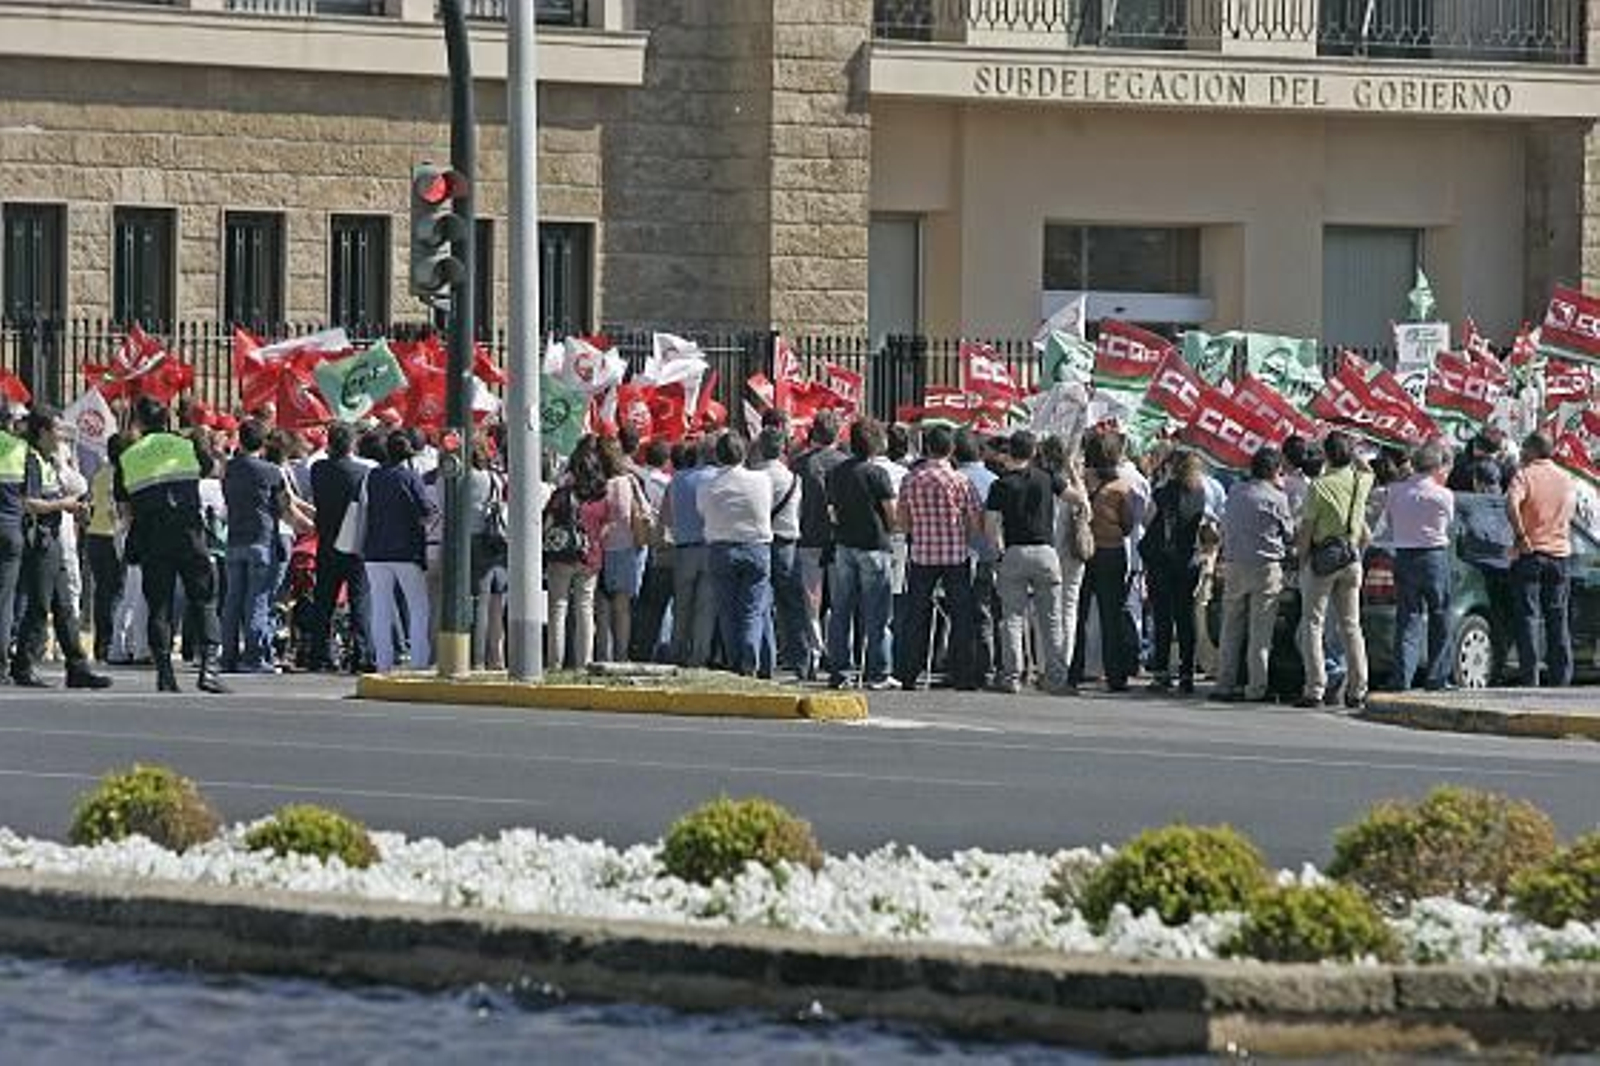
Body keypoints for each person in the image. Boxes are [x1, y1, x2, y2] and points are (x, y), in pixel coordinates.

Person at [115, 397, 227, 693]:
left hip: (153, 538)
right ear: (167, 419)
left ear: (138, 422)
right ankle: (209, 670)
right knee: (203, 600)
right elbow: (209, 468)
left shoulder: (127, 456)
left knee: (159, 607)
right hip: (190, 534)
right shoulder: (185, 445)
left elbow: (125, 510)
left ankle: (165, 672)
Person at [10, 409, 110, 689]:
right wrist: (63, 505)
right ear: (42, 432)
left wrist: (75, 507)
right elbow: (28, 502)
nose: (61, 435)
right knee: (40, 605)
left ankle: (77, 667)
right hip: (40, 540)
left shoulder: (50, 461)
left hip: (54, 537)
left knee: (65, 606)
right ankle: (24, 665)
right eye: (56, 429)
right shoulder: (31, 460)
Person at [983, 430, 1071, 694]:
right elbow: (1074, 497)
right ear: (1033, 453)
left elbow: (991, 525)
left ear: (1010, 453)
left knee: (1012, 617)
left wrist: (998, 551)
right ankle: (1056, 676)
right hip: (1045, 552)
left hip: (1015, 552)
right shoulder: (1046, 479)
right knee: (1052, 618)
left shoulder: (1000, 485)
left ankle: (1012, 676)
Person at [894, 425, 980, 690]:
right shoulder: (960, 481)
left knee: (917, 615)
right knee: (961, 616)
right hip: (955, 554)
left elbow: (902, 521)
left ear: (927, 448)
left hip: (922, 554)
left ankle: (909, 671)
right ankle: (962, 673)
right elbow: (974, 522)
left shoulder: (911, 479)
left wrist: (918, 528)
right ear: (951, 449)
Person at [1295, 431, 1373, 710]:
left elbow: (1306, 530)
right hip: (1351, 558)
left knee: (1313, 624)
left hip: (1323, 560)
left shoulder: (1319, 486)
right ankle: (1358, 688)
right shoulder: (1360, 481)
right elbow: (1367, 469)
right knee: (1351, 626)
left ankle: (1315, 687)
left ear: (1326, 455)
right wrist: (1356, 454)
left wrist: (1301, 558)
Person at [1211, 446, 1293, 704]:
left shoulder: (1235, 492)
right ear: (1274, 470)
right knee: (1261, 632)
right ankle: (1256, 687)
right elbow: (1289, 533)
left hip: (1235, 564)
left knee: (1231, 627)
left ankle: (1224, 682)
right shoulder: (1277, 498)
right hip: (1267, 567)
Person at [825, 418, 898, 690]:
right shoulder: (877, 474)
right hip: (873, 546)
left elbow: (831, 510)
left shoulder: (836, 472)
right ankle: (878, 671)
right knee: (877, 614)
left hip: (844, 544)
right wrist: (895, 529)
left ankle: (840, 671)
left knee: (841, 610)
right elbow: (891, 514)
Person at [697, 432, 773, 676]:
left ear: (718, 455)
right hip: (756, 546)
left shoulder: (707, 484)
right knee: (752, 610)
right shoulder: (761, 480)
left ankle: (735, 660)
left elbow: (702, 511)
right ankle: (750, 658)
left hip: (721, 547)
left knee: (727, 610)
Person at [1505, 432, 1577, 687]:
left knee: (1528, 617)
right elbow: (1571, 512)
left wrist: (1521, 535)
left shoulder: (1525, 475)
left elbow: (1511, 503)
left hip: (1531, 554)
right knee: (1558, 618)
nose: (1522, 451)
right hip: (1560, 555)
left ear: (1534, 450)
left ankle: (1530, 677)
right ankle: (1562, 678)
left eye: (1525, 447)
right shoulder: (1566, 478)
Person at [1385, 440, 1456, 692]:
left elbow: (1390, 521)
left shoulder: (1394, 491)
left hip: (1404, 554)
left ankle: (1402, 677)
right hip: (1434, 556)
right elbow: (1447, 523)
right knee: (1440, 616)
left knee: (1408, 618)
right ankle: (1438, 676)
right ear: (1437, 467)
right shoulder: (1443, 495)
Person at [1069, 431, 1137, 692]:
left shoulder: (1080, 482)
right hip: (1111, 552)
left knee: (1078, 614)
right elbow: (1128, 524)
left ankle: (1073, 669)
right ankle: (1115, 675)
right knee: (1111, 617)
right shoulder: (1120, 487)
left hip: (1082, 553)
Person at [362, 431, 435, 672]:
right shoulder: (410, 477)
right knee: (418, 606)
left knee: (380, 607)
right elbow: (426, 511)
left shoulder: (372, 476)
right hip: (406, 551)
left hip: (374, 550)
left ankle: (383, 662)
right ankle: (418, 661)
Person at [220, 419, 288, 674]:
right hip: (262, 537)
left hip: (235, 537)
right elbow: (283, 505)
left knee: (232, 600)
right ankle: (254, 656)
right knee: (257, 600)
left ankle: (228, 655)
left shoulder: (229, 468)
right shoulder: (271, 471)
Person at [1140, 450, 1210, 695]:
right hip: (1188, 560)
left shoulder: (1162, 493)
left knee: (1162, 617)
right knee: (1185, 617)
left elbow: (1146, 522)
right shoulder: (1200, 493)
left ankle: (1161, 672)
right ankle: (1187, 672)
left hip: (1162, 561)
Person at [308, 422, 374, 673]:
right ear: (352, 444)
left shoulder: (319, 469)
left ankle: (320, 654)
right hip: (355, 543)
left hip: (327, 541)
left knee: (323, 601)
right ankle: (362, 653)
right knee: (360, 600)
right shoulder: (362, 472)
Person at [791, 412, 847, 679]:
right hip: (838, 540)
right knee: (839, 601)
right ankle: (838, 654)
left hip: (807, 538)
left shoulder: (799, 464)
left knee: (810, 603)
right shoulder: (845, 464)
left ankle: (814, 653)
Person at [545, 440, 609, 671]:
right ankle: (584, 663)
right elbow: (606, 528)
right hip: (590, 557)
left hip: (562, 556)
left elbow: (547, 524)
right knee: (585, 608)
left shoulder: (561, 495)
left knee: (558, 608)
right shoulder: (602, 497)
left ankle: (555, 662)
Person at [755, 427, 806, 679]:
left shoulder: (754, 477)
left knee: (761, 604)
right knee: (793, 605)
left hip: (762, 542)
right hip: (787, 542)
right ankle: (800, 660)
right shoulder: (793, 479)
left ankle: (766, 659)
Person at [663, 438, 717, 667]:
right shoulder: (715, 478)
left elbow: (666, 516)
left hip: (683, 549)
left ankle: (677, 651)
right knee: (705, 608)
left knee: (681, 606)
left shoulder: (677, 479)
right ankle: (699, 656)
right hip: (709, 546)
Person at [954, 429, 999, 689]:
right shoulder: (993, 480)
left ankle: (961, 665)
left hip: (957, 554)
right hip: (986, 553)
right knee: (984, 613)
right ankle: (985, 667)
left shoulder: (955, 479)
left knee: (959, 614)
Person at [596, 436, 644, 662]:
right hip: (625, 548)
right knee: (622, 609)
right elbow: (641, 512)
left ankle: (602, 654)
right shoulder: (629, 482)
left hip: (598, 548)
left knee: (602, 608)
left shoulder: (595, 483)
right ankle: (621, 655)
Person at [629, 439, 675, 663]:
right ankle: (661, 648)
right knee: (662, 602)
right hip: (661, 543)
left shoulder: (639, 477)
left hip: (640, 539)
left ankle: (640, 643)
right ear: (666, 462)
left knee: (645, 599)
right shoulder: (667, 483)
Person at [467, 436, 510, 671]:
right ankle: (497, 657)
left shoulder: (465, 478)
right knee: (497, 602)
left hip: (475, 539)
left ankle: (478, 658)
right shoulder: (496, 477)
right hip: (498, 539)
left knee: (480, 603)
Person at [84, 433, 126, 665]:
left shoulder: (100, 473)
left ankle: (102, 644)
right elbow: (114, 506)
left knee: (102, 592)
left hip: (95, 535)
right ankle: (110, 643)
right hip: (111, 536)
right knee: (116, 592)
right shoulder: (120, 475)